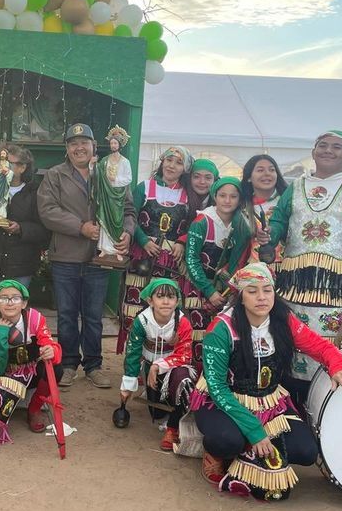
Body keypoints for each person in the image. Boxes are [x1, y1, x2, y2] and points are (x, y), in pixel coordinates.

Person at [191, 263, 342, 501]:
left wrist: (337, 364)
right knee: (227, 441)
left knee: (305, 452)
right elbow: (217, 387)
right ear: (240, 296)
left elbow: (318, 345)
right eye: (252, 291)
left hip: (269, 400)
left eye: (267, 290)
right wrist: (255, 431)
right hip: (223, 399)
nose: (261, 297)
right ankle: (217, 453)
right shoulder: (222, 328)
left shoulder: (282, 319)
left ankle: (248, 451)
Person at [258, 130, 342, 387]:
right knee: (292, 334)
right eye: (322, 145)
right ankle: (292, 396)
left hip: (336, 284)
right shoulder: (296, 186)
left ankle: (327, 394)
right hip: (294, 282)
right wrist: (269, 238)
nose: (328, 150)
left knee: (333, 338)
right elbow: (280, 220)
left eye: (336, 147)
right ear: (313, 151)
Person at [38, 122, 136, 388]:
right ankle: (69, 363)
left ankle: (93, 365)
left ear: (94, 146)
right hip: (66, 256)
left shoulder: (109, 171)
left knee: (93, 315)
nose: (79, 148)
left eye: (84, 143)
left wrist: (126, 232)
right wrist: (80, 227)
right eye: (73, 144)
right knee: (67, 313)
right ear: (67, 149)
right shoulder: (55, 175)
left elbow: (128, 209)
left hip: (99, 256)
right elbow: (47, 210)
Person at [0, 279, 62, 443]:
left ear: (24, 303)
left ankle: (34, 408)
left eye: (15, 298)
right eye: (4, 298)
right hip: (4, 374)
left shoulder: (35, 319)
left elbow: (49, 343)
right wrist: (1, 334)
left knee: (55, 368)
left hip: (31, 371)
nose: (10, 303)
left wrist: (51, 350)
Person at [118, 145, 192, 352]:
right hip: (143, 256)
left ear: (185, 169)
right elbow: (129, 214)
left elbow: (195, 223)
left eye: (178, 162)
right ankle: (134, 358)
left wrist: (182, 241)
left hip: (170, 261)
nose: (172, 165)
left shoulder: (188, 194)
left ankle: (160, 358)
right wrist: (142, 240)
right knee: (135, 307)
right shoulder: (145, 187)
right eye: (169, 160)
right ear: (162, 162)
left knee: (164, 309)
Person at [119, 278, 197, 451]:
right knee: (157, 413)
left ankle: (173, 429)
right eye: (160, 296)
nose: (166, 301)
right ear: (150, 300)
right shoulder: (142, 321)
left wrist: (158, 366)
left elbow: (184, 355)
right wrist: (128, 383)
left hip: (175, 367)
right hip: (148, 365)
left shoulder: (183, 322)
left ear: (177, 301)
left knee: (183, 381)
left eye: (171, 297)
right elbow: (133, 352)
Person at [0, 144, 49, 310]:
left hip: (22, 264)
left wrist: (21, 228)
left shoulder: (35, 193)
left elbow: (44, 228)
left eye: (10, 163)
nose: (4, 166)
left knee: (16, 310)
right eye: (1, 162)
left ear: (22, 167)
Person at [184, 177, 253, 366]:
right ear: (215, 196)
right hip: (200, 289)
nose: (227, 200)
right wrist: (210, 291)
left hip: (228, 290)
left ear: (240, 199)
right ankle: (198, 381)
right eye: (222, 195)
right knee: (200, 336)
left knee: (225, 335)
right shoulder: (202, 221)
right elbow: (191, 259)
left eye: (233, 196)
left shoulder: (243, 224)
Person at [93, 126, 134, 267]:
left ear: (120, 145)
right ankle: (104, 249)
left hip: (118, 196)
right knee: (104, 219)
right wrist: (94, 165)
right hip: (105, 195)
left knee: (117, 222)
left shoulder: (125, 162)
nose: (113, 145)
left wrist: (114, 180)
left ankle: (117, 250)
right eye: (111, 143)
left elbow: (128, 178)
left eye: (115, 143)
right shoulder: (104, 160)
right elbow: (98, 174)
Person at [240, 154, 288, 263]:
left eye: (271, 170)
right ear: (248, 177)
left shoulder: (288, 201)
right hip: (254, 272)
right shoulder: (241, 206)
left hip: (289, 268)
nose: (267, 174)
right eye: (260, 170)